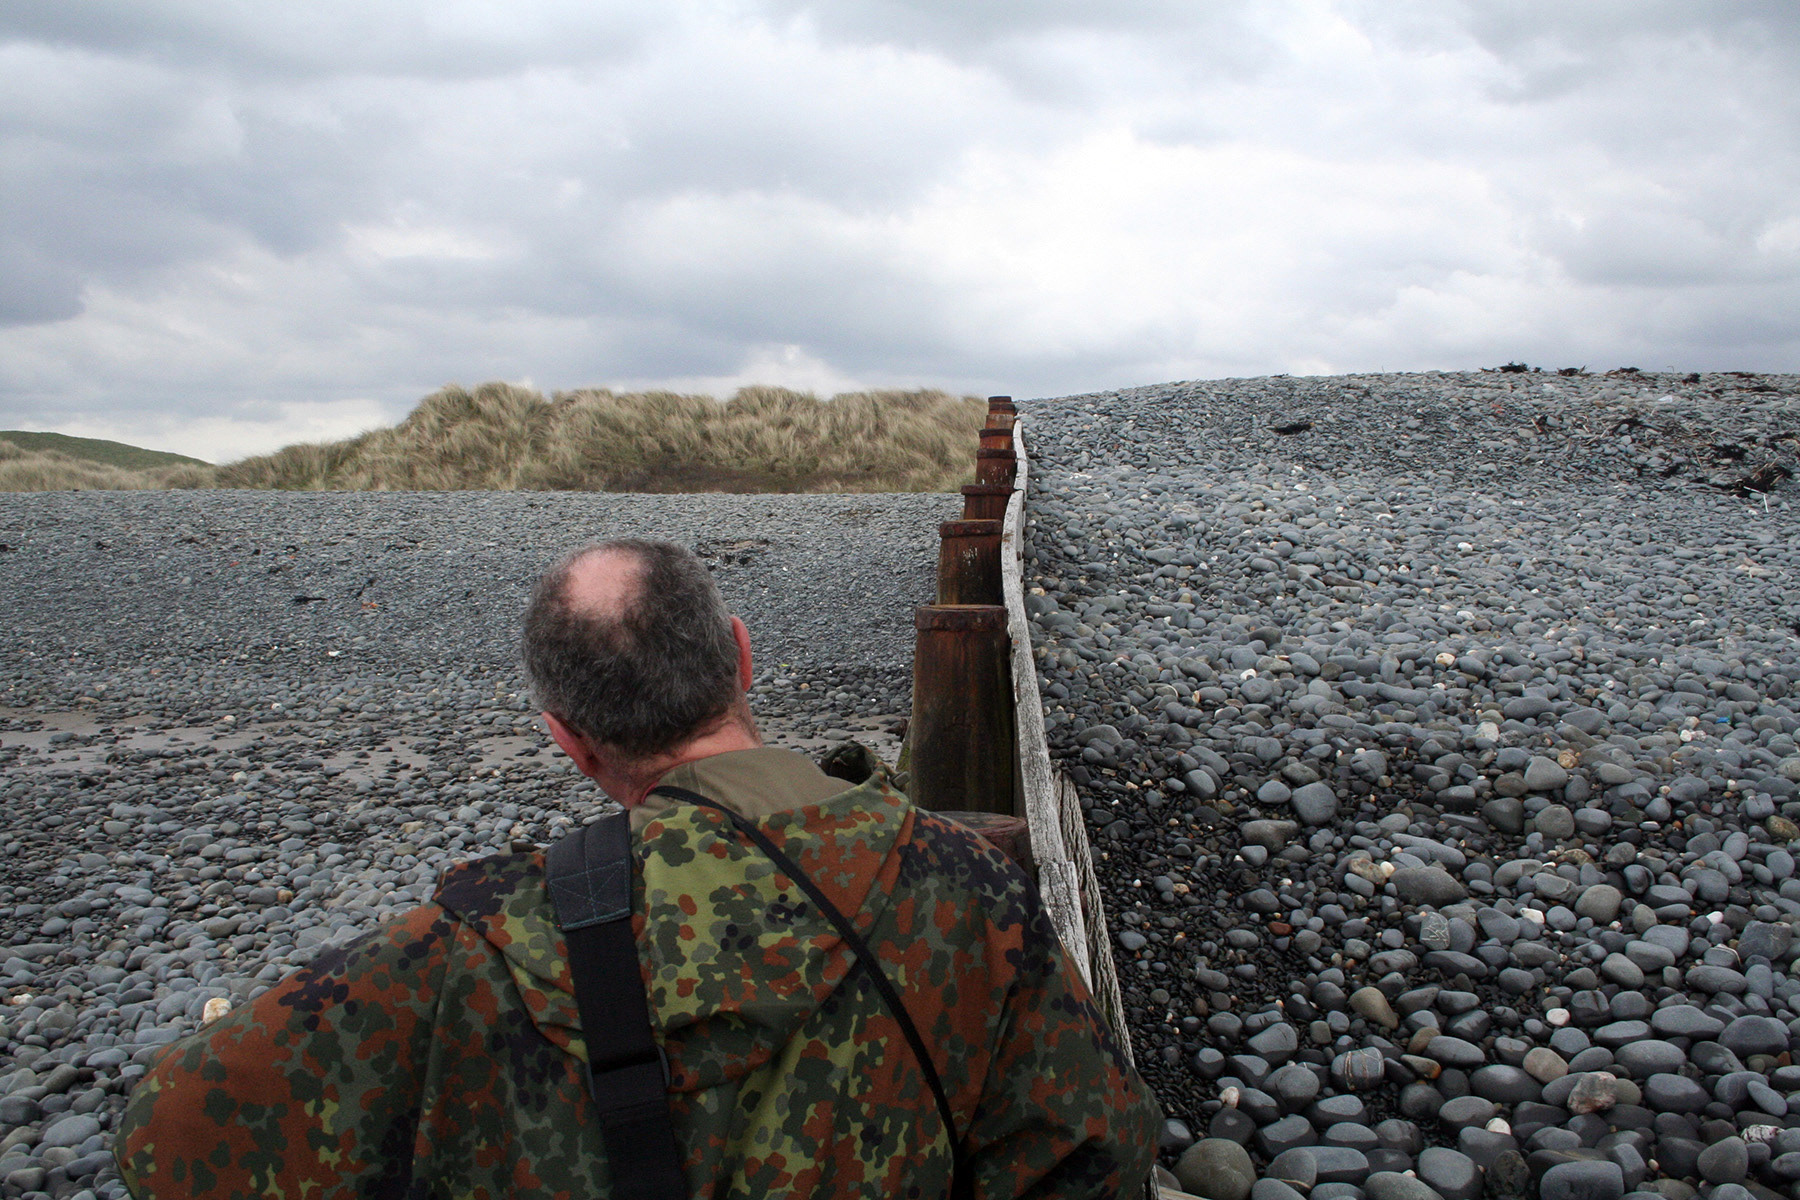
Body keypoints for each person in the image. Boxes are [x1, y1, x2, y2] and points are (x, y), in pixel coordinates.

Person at [114, 538, 1160, 1198]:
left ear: (568, 741)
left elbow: (169, 1130)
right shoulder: (968, 888)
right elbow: (1094, 1156)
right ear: (742, 656)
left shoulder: (473, 948)